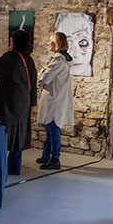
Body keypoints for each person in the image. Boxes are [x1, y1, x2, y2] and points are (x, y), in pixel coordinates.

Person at [0, 29, 37, 175]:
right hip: (23, 100)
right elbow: (33, 83)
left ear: (14, 42)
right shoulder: (28, 59)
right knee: (19, 134)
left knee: (3, 132)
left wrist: (6, 53)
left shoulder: (9, 57)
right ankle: (14, 166)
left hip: (7, 100)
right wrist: (32, 103)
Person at [36, 32, 73, 171]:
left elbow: (43, 79)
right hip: (55, 98)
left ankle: (55, 159)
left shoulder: (58, 61)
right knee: (49, 129)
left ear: (57, 43)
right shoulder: (62, 60)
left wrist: (42, 72)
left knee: (53, 129)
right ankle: (46, 155)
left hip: (54, 100)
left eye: (50, 41)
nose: (48, 43)